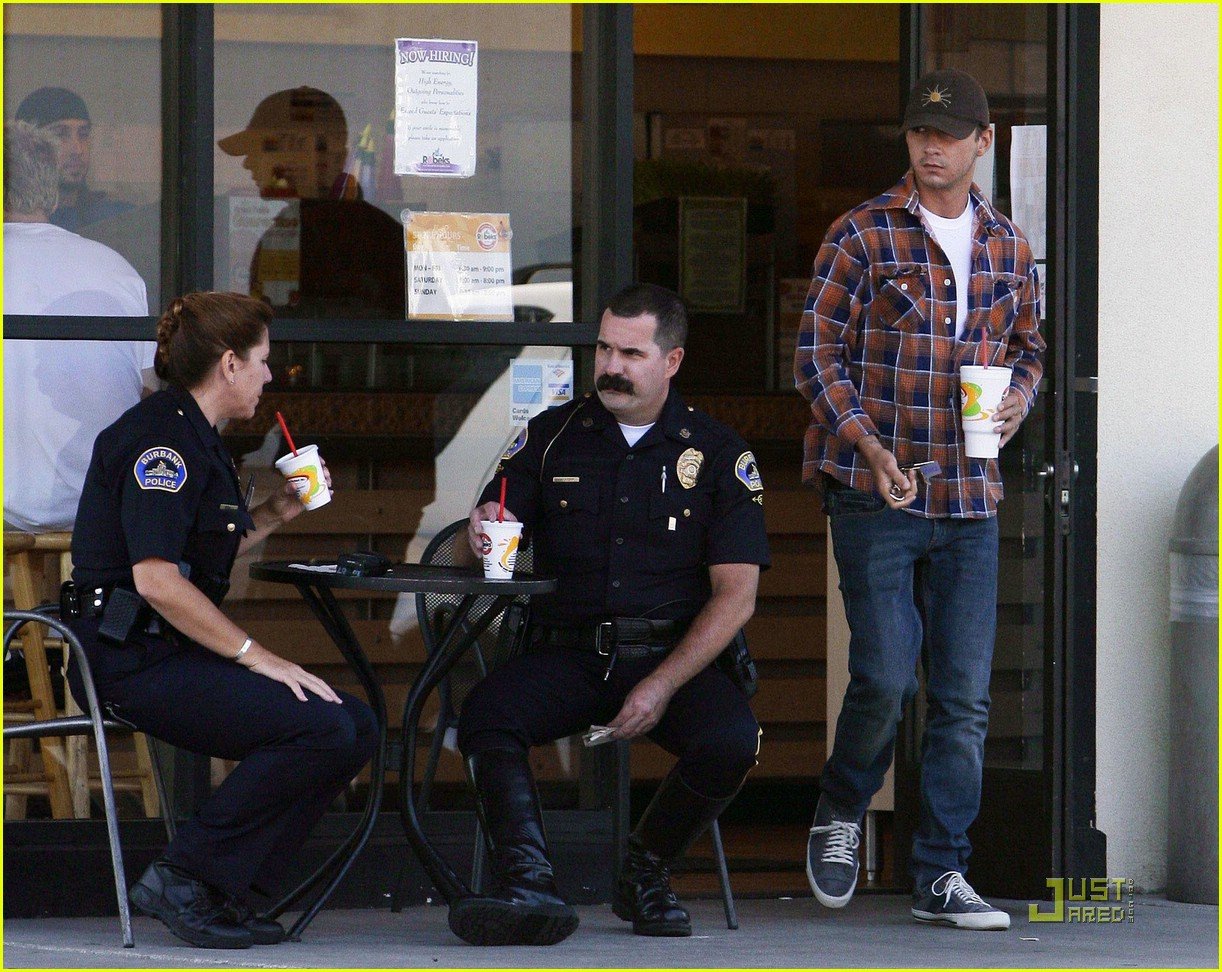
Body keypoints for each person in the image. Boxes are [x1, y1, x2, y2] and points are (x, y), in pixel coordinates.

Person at [794, 68, 1045, 931]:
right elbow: (816, 358)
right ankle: (841, 806)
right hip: (876, 491)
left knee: (965, 697)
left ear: (984, 142)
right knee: (888, 674)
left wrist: (1021, 397)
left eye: (949, 134)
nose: (930, 148)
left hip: (972, 496)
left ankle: (942, 871)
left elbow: (1028, 346)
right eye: (917, 134)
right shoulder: (862, 235)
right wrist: (865, 441)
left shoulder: (1010, 246)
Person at [450, 283, 770, 946]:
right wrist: (480, 530)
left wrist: (663, 683)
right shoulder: (551, 435)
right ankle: (528, 880)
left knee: (734, 741)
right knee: (486, 714)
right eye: (603, 348)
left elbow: (737, 594)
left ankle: (643, 873)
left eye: (631, 352)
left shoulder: (716, 453)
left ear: (672, 361)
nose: (611, 366)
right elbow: (481, 530)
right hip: (568, 652)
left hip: (669, 656)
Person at [64, 292, 378, 949]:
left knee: (353, 723)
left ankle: (221, 890)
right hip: (127, 660)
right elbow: (156, 581)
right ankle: (186, 878)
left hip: (165, 652)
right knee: (320, 725)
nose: (271, 376)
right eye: (263, 361)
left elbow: (195, 552)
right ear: (230, 364)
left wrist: (275, 515)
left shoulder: (192, 436)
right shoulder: (161, 445)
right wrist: (259, 656)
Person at [3, 120, 152, 534]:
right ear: (51, 193)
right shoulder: (115, 267)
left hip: (11, 510)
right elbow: (147, 389)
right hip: (102, 503)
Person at [218, 86, 405, 318]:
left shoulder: (352, 236)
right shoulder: (378, 231)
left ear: (300, 149)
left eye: (259, 148)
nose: (247, 163)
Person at [15, 87, 133, 233]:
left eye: (83, 134)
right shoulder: (13, 225)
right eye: (60, 134)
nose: (77, 150)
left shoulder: (118, 219)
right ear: (28, 145)